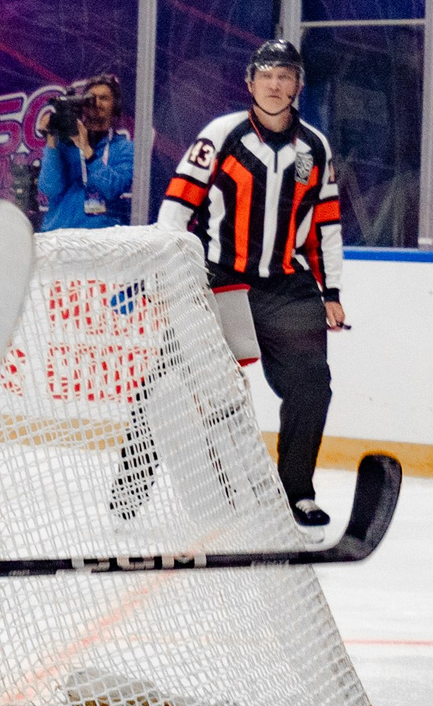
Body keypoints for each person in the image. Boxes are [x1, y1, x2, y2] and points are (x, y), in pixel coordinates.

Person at [154, 38, 345, 525]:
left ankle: (295, 492)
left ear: (298, 85)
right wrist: (172, 275)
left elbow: (325, 224)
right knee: (168, 380)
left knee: (311, 387)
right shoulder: (222, 134)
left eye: (285, 76)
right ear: (250, 83)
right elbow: (177, 207)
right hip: (220, 281)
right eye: (267, 75)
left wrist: (332, 292)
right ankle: (132, 483)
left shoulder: (314, 148)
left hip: (288, 286)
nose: (276, 85)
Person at [33, 75, 136, 230]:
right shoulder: (64, 144)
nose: (96, 103)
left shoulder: (125, 148)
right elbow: (49, 188)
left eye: (104, 98)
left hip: (98, 239)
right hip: (58, 235)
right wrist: (51, 141)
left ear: (116, 106)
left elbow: (112, 188)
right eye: (91, 98)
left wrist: (87, 150)